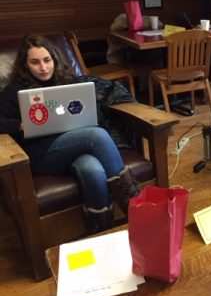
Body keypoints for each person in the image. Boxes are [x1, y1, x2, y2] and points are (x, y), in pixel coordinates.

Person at [0, 35, 140, 233]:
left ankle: (101, 229)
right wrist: (20, 125)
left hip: (77, 146)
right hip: (43, 154)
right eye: (35, 62)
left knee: (92, 169)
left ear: (54, 60)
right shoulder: (14, 91)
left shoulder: (69, 83)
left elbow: (95, 115)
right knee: (97, 135)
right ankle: (137, 207)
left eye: (47, 60)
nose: (43, 67)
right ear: (25, 64)